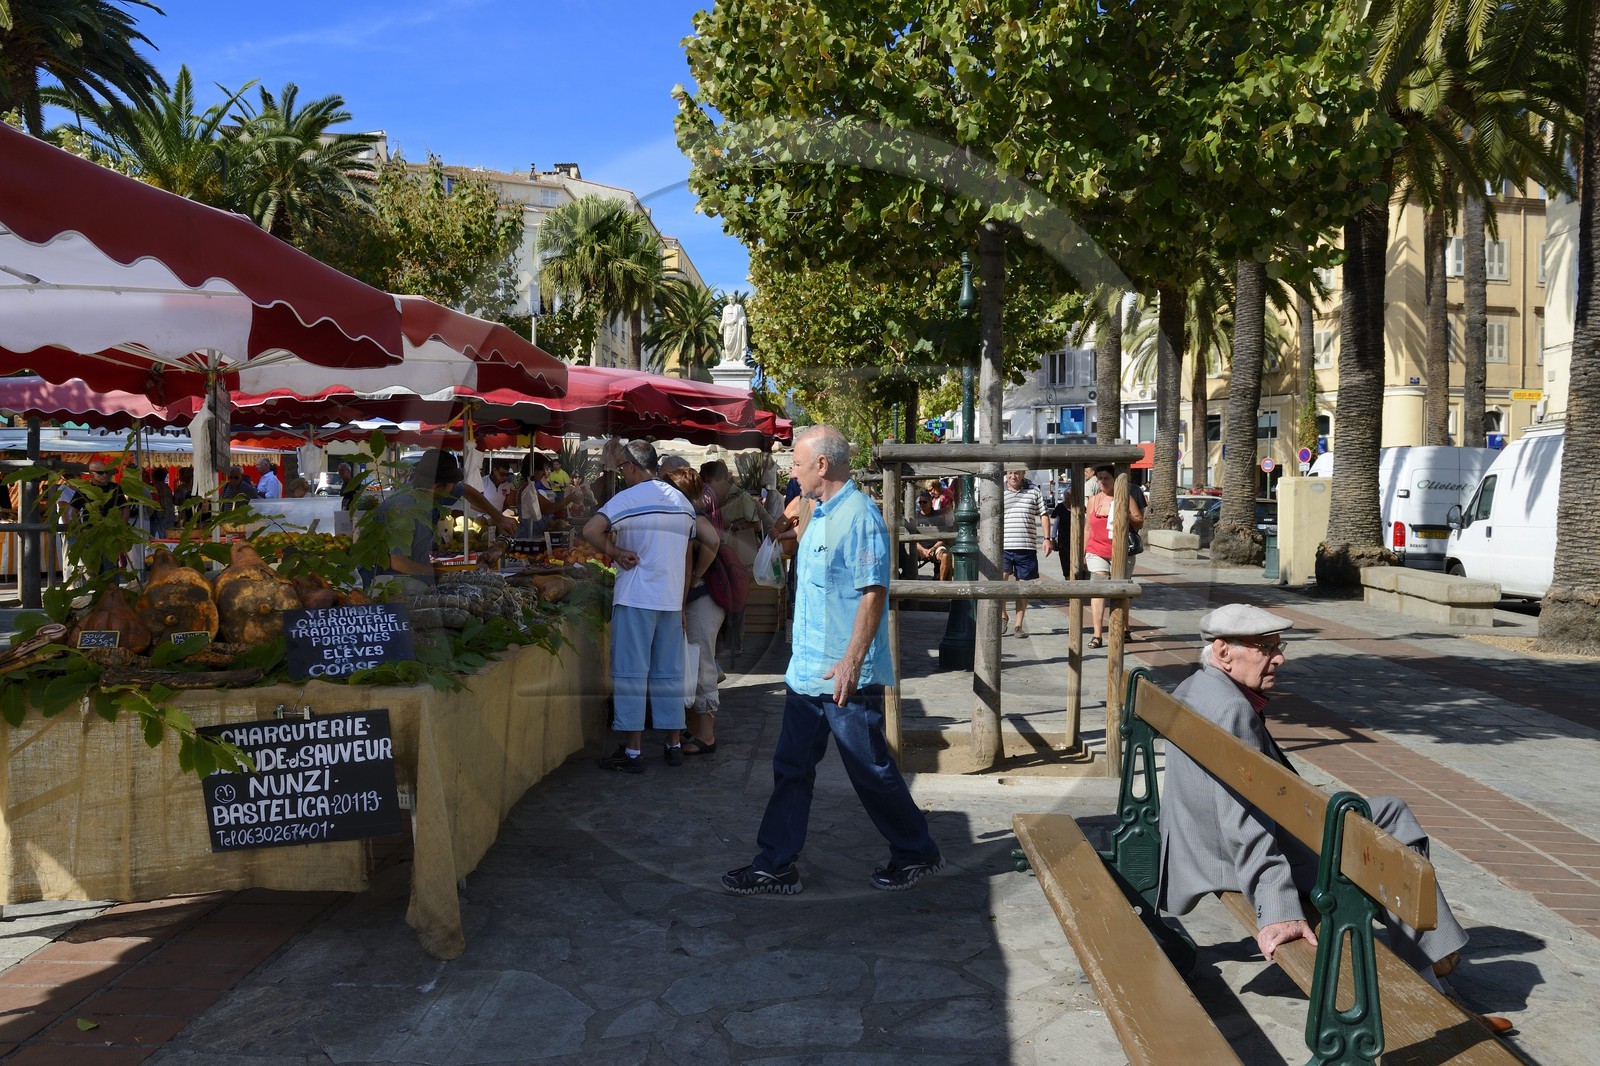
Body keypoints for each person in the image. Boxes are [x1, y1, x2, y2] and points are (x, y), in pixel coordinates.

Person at [1158, 603, 1513, 1035]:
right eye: (1265, 648)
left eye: (1278, 646)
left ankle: (1429, 955)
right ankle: (1433, 985)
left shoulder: (1198, 687)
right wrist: (1279, 908)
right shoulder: (1232, 710)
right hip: (1228, 855)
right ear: (1223, 651)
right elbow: (1243, 820)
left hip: (1199, 839)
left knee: (1388, 812)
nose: (1279, 658)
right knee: (1387, 838)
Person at [723, 425, 942, 896]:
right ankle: (775, 863)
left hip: (844, 676)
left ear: (821, 465)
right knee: (791, 769)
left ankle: (916, 850)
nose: (792, 472)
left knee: (870, 770)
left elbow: (873, 594)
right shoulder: (814, 512)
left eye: (798, 464)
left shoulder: (860, 517)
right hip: (806, 673)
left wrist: (851, 661)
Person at [580, 439, 699, 773]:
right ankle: (673, 743)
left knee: (632, 674)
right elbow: (687, 560)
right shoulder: (684, 504)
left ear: (631, 466)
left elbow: (591, 530)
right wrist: (682, 602)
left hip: (635, 598)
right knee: (669, 674)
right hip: (671, 600)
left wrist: (616, 554)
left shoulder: (626, 499)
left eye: (622, 469)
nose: (623, 474)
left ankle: (633, 752)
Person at [370, 449, 517, 584]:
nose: (455, 487)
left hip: (416, 579)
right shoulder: (404, 508)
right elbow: (398, 562)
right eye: (452, 484)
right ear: (437, 486)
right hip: (389, 583)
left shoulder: (428, 490)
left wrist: (499, 518)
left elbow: (467, 490)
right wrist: (442, 576)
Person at [662, 465, 724, 755]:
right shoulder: (685, 514)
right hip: (698, 600)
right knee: (695, 664)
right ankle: (696, 729)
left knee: (702, 666)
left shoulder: (693, 515)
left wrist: (698, 574)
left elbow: (713, 541)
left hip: (702, 600)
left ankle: (707, 736)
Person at [1084, 465, 1144, 648]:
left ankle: (1124, 629)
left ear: (1114, 480)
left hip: (1121, 551)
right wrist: (1083, 552)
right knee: (1098, 590)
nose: (1102, 482)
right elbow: (1087, 527)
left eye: (1106, 478)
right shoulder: (1093, 501)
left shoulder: (1124, 498)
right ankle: (1097, 634)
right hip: (1096, 551)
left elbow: (1139, 521)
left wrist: (1125, 514)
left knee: (1121, 592)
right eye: (1099, 478)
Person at [1000, 468, 1051, 638]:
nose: (1012, 476)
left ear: (1023, 474)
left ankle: (1018, 625)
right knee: (1001, 582)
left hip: (1026, 546)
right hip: (1004, 546)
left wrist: (1047, 538)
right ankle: (1002, 616)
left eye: (1016, 472)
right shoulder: (999, 491)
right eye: (1009, 473)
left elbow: (1044, 514)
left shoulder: (1034, 490)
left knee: (1024, 587)